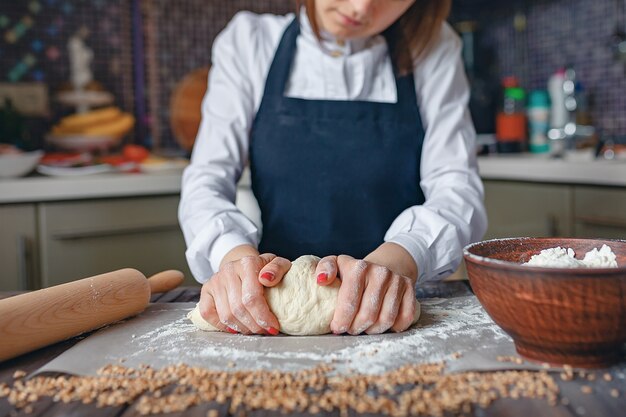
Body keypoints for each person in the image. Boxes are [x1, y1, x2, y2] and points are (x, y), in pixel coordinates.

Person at [179, 0, 487, 336]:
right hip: (272, 306)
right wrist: (235, 262)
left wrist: (399, 260)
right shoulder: (251, 43)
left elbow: (456, 187)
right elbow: (206, 180)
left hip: (391, 311)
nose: (360, 7)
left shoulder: (432, 47)